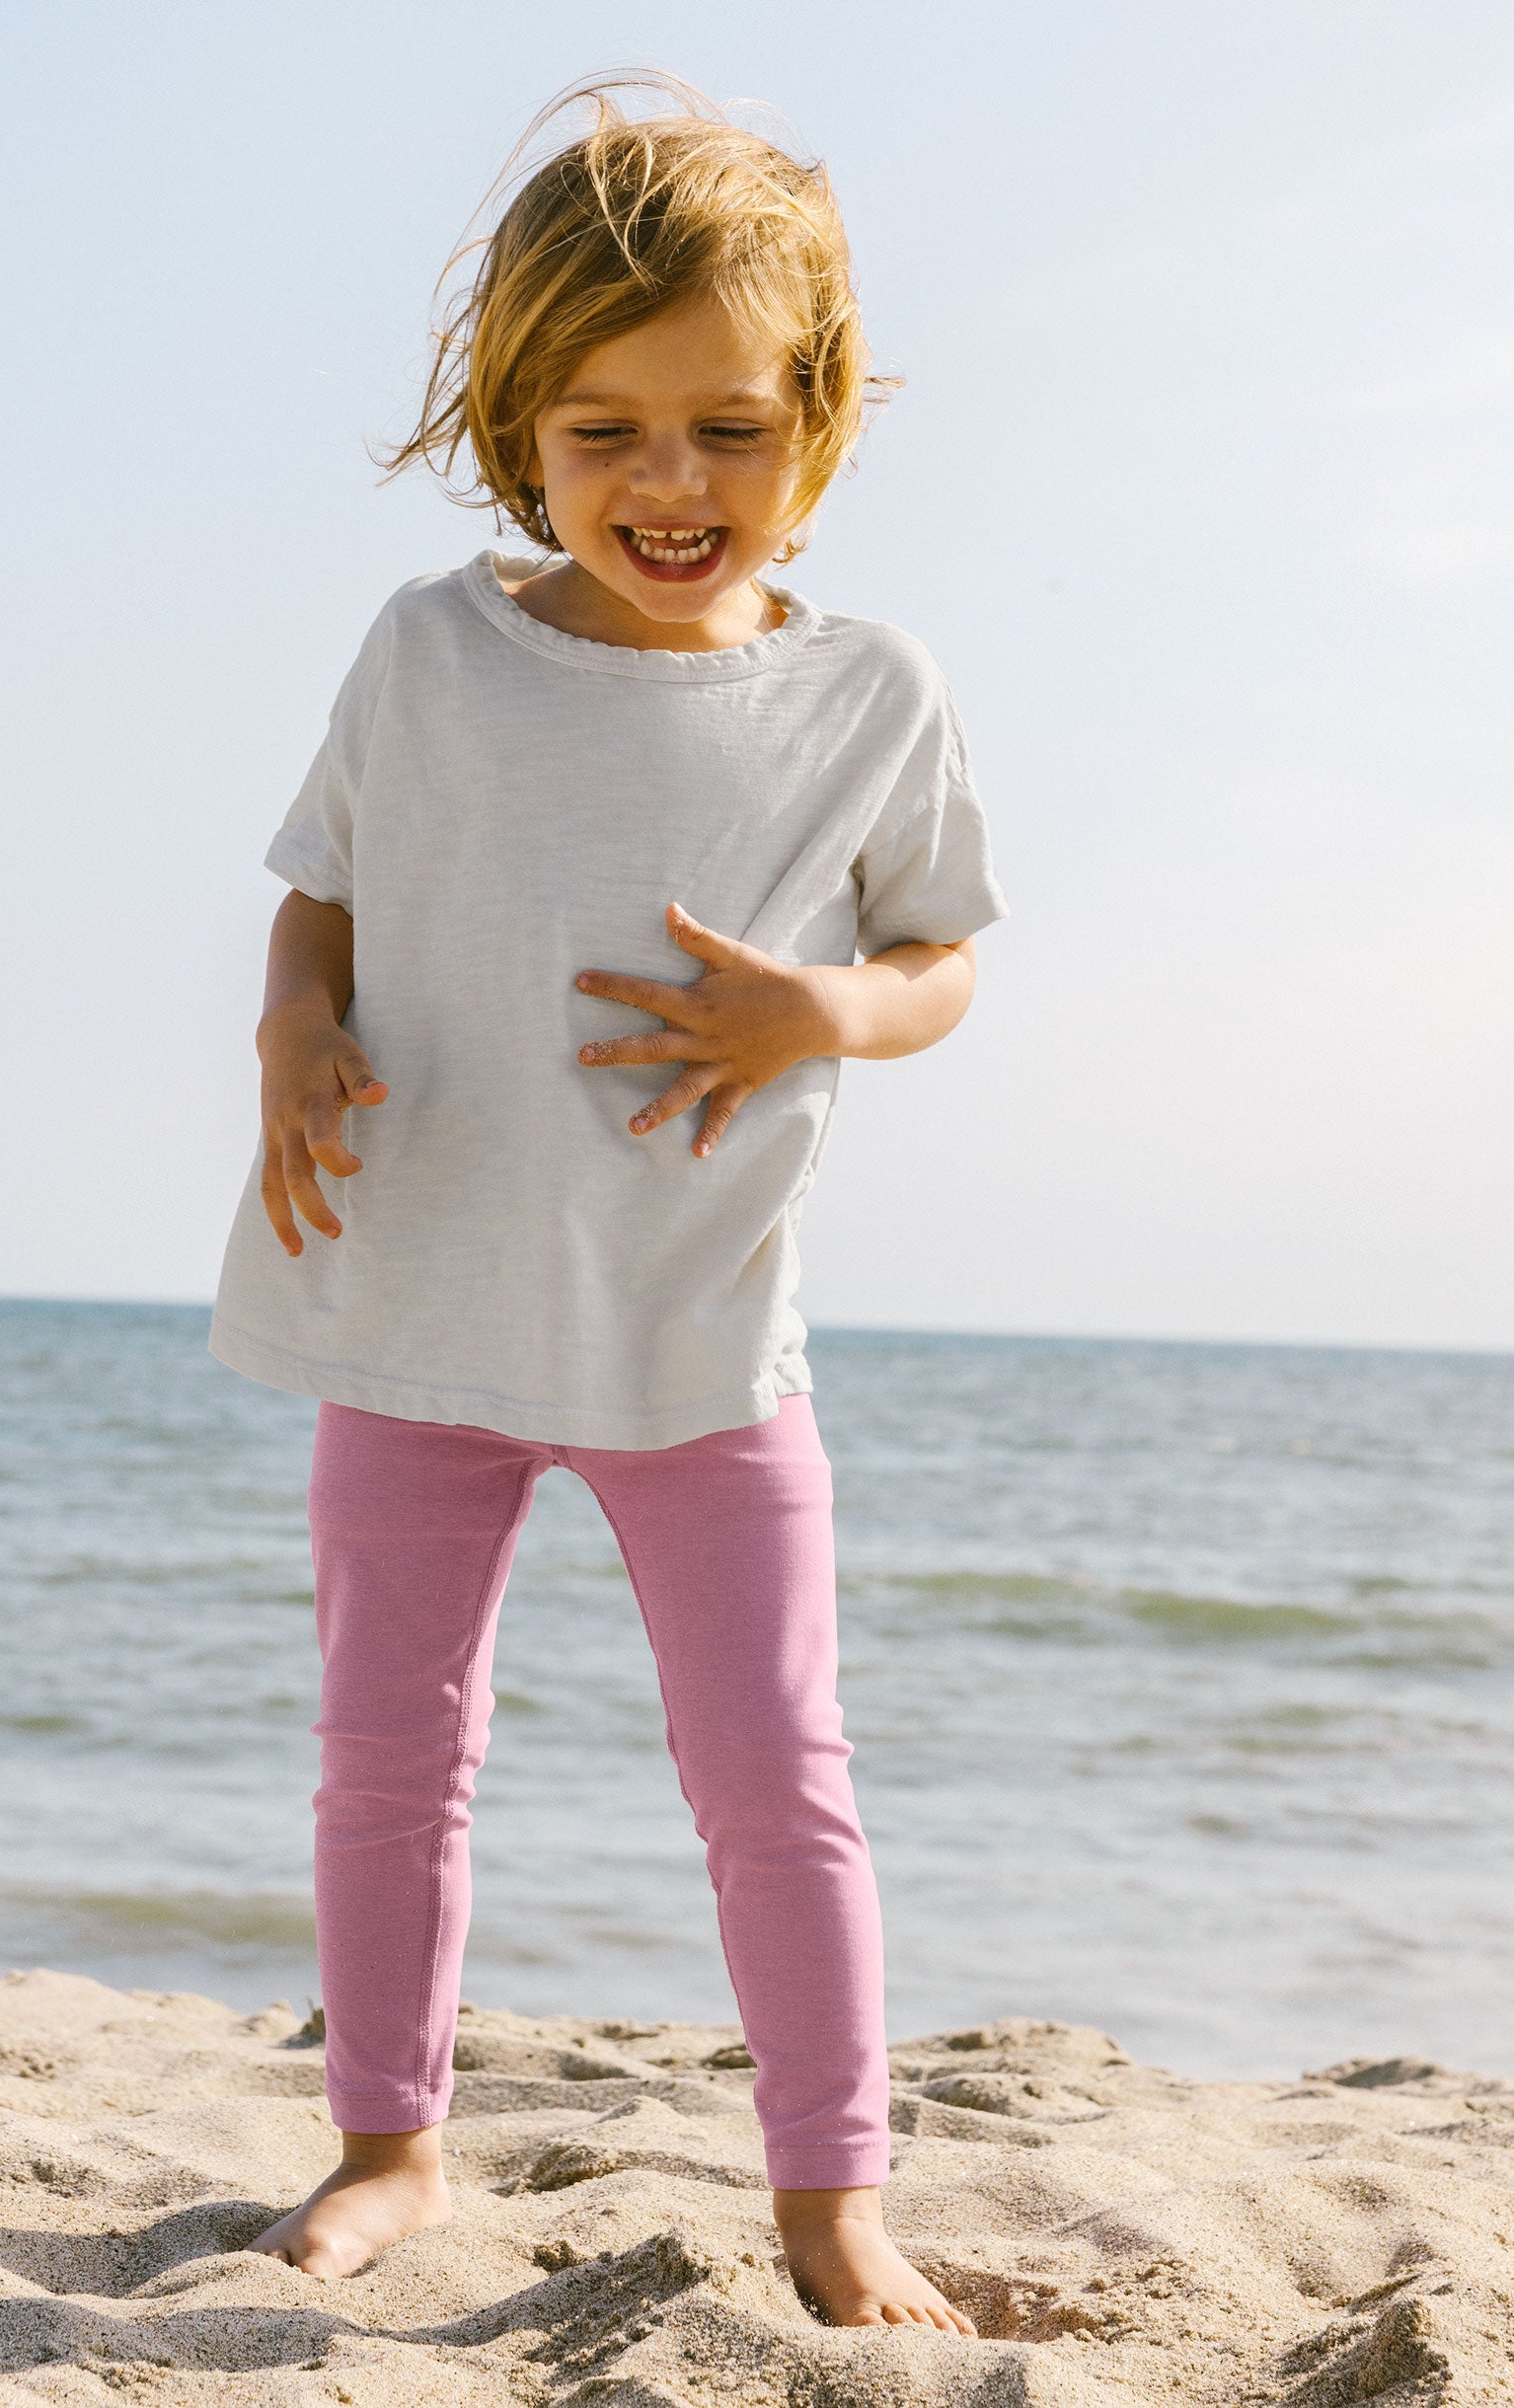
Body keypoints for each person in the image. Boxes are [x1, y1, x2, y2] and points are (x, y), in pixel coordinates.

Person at [209, 77, 1007, 2332]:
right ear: (517, 431)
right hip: (416, 1294)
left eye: (729, 429)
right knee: (390, 1750)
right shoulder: (427, 651)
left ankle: (836, 2193)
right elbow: (318, 903)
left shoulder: (869, 695)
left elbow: (946, 961)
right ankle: (388, 2142)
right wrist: (292, 1031)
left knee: (777, 1772)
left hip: (694, 1326)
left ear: (818, 417)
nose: (671, 484)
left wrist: (820, 1016)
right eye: (606, 430)